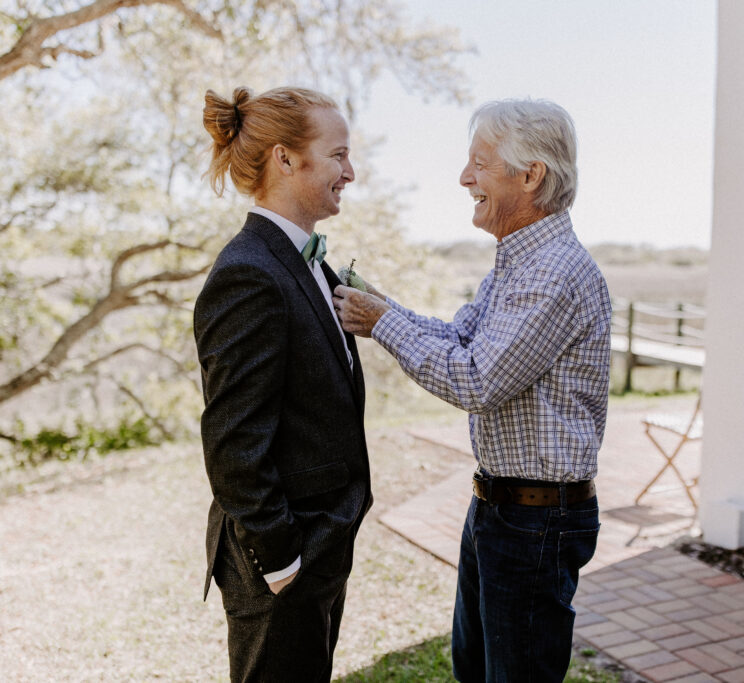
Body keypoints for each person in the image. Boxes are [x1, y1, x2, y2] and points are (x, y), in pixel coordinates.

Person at [333, 98, 611, 682]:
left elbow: (474, 377)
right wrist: (381, 306)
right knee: (473, 670)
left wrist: (380, 322)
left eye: (479, 165)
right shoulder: (517, 263)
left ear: (530, 175)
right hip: (501, 510)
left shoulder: (554, 273)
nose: (464, 178)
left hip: (535, 524)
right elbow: (457, 336)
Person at [193, 86, 371, 683]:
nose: (351, 171)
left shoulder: (307, 261)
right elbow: (233, 438)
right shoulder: (249, 272)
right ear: (285, 158)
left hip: (320, 547)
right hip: (280, 563)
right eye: (339, 155)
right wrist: (280, 559)